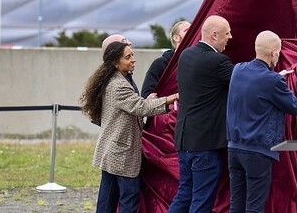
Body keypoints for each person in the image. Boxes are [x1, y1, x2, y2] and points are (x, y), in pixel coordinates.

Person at [227, 31, 297, 213]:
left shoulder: (238, 70)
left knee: (237, 205)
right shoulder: (271, 80)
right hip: (258, 152)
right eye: (279, 52)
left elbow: (256, 85)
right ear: (273, 52)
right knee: (254, 208)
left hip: (234, 149)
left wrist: (278, 77)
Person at [81, 40, 179, 213]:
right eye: (128, 57)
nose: (133, 59)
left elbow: (134, 105)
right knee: (130, 198)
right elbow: (141, 107)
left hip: (112, 150)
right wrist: (171, 98)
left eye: (132, 55)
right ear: (115, 62)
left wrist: (145, 101)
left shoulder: (116, 79)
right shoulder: (119, 85)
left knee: (108, 199)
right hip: (121, 152)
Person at [169, 15, 234, 213]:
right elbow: (244, 82)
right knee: (201, 202)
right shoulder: (218, 62)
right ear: (214, 35)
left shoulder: (185, 55)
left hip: (184, 140)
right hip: (206, 145)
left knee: (184, 194)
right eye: (227, 33)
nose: (230, 37)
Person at [142, 20, 190, 97]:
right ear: (176, 38)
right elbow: (146, 94)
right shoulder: (160, 63)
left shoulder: (198, 62)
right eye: (187, 31)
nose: (192, 33)